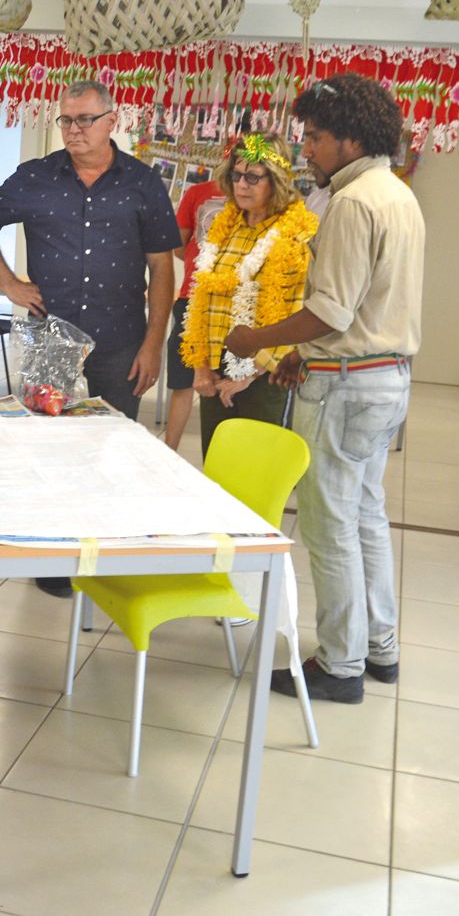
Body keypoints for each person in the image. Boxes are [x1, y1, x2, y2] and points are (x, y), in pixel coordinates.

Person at [224, 73, 424, 704]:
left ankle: (340, 666)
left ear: (349, 137)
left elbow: (331, 313)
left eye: (313, 137)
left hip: (346, 386)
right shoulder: (394, 192)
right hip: (384, 379)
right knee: (364, 515)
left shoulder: (353, 202)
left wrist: (259, 341)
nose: (304, 149)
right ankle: (379, 647)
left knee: (328, 524)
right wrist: (299, 356)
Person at [0, 80, 180, 596]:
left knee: (112, 450)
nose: (74, 131)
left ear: (112, 121)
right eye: (65, 120)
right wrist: (8, 283)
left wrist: (153, 345)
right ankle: (57, 561)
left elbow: (162, 268)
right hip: (51, 340)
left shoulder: (143, 184)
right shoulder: (36, 177)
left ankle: (102, 554)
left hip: (122, 339)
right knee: (47, 450)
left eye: (84, 120)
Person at [179, 132, 316, 458]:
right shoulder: (224, 227)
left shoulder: (297, 232)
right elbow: (201, 300)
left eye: (253, 177)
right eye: (236, 175)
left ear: (278, 180)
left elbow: (300, 311)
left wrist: (250, 375)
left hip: (267, 376)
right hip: (214, 373)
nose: (242, 185)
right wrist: (201, 368)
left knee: (257, 475)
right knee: (217, 471)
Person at [163, 172, 226, 452]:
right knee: (183, 378)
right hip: (192, 297)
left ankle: (223, 457)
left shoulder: (262, 195)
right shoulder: (198, 192)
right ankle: (169, 450)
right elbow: (179, 246)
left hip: (232, 303)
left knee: (224, 379)